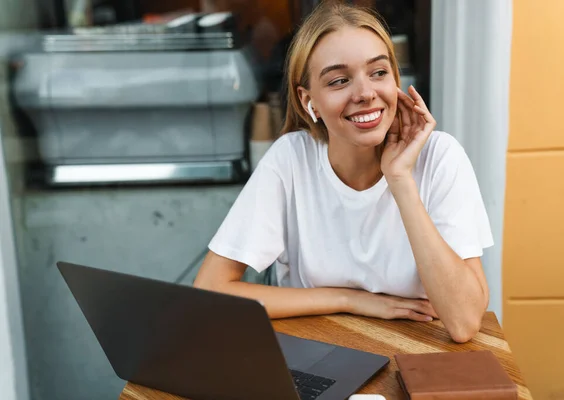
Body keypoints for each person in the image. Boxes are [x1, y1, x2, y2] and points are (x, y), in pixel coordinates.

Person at [194, 1, 493, 343]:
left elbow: (465, 322)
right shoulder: (290, 160)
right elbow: (210, 293)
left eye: (379, 72)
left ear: (395, 79)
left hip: (419, 354)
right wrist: (350, 300)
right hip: (316, 354)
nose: (365, 93)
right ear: (309, 101)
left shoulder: (440, 157)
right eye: (339, 80)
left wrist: (399, 180)